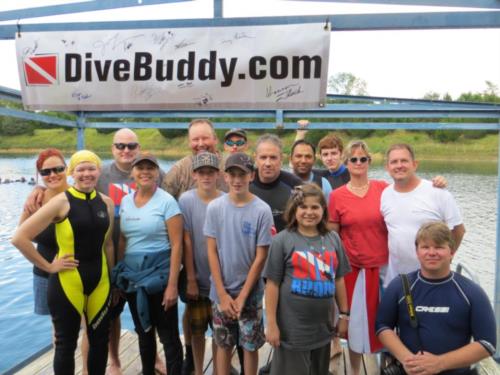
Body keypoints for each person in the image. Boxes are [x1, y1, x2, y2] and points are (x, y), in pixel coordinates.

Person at [12, 150, 114, 375]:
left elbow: (106, 245)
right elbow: (19, 238)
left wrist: (113, 278)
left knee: (99, 341)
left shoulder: (106, 203)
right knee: (65, 345)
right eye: (81, 169)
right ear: (73, 172)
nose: (86, 174)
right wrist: (48, 266)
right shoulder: (60, 202)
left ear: (99, 171)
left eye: (91, 168)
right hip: (67, 281)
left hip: (101, 282)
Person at [376, 221, 496, 375]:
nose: (432, 253)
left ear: (451, 252)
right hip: (410, 370)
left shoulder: (471, 292)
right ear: (417, 252)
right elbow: (382, 326)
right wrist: (408, 361)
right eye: (425, 247)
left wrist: (439, 363)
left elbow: (487, 343)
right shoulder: (400, 286)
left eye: (439, 247)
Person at [264, 183, 350, 375]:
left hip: (323, 330)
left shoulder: (333, 239)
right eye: (303, 207)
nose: (309, 212)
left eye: (315, 207)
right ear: (294, 210)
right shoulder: (282, 240)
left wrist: (344, 315)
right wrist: (271, 324)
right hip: (292, 332)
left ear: (323, 210)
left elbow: (339, 280)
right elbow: (272, 285)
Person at [113, 152, 183, 375]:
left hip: (160, 276)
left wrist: (172, 285)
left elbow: (177, 245)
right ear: (132, 172)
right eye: (140, 168)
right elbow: (123, 240)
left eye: (150, 168)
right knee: (144, 332)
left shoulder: (167, 202)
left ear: (157, 172)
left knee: (168, 335)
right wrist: (120, 275)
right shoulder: (125, 201)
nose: (145, 172)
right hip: (133, 277)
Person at [205, 152, 274, 375]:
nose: (237, 180)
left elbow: (261, 256)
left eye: (242, 175)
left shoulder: (262, 210)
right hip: (221, 292)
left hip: (251, 293)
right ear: (225, 177)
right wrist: (223, 294)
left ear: (251, 176)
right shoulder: (215, 207)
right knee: (223, 344)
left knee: (250, 345)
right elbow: (212, 251)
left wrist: (243, 296)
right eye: (232, 174)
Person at [328, 140, 388, 375]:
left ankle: (387, 364)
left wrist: (436, 185)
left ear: (369, 162)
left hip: (382, 267)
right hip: (352, 268)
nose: (359, 163)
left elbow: (409, 191)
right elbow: (332, 235)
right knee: (353, 323)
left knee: (385, 320)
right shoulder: (337, 196)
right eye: (353, 159)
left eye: (363, 158)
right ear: (347, 163)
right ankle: (354, 369)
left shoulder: (384, 188)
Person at [381, 143, 465, 287]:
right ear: (387, 167)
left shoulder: (437, 192)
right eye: (394, 162)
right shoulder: (385, 194)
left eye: (404, 160)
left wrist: (447, 257)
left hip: (433, 279)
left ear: (414, 164)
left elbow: (458, 230)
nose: (399, 165)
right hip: (398, 280)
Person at [178, 152, 224, 375]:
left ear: (218, 174)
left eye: (210, 172)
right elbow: (186, 239)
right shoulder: (186, 199)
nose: (206, 176)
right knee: (196, 331)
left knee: (219, 332)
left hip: (220, 281)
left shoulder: (225, 199)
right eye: (201, 172)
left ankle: (218, 369)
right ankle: (197, 369)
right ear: (194, 175)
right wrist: (190, 277)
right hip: (196, 278)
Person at [19, 149, 69, 319]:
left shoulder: (78, 195)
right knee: (57, 326)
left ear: (66, 168)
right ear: (40, 175)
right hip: (44, 272)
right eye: (46, 172)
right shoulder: (36, 201)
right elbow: (22, 236)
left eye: (58, 169)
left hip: (75, 271)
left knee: (85, 325)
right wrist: (48, 267)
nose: (53, 175)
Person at [162, 118, 226, 200]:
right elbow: (163, 201)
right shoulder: (179, 170)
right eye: (195, 139)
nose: (200, 144)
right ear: (189, 142)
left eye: (205, 138)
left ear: (215, 139)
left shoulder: (229, 166)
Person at [250, 134, 302, 233]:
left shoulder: (295, 184)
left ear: (281, 158)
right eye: (263, 157)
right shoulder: (245, 182)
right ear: (255, 158)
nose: (268, 163)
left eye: (273, 158)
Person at [294, 119, 350, 190]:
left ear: (341, 154)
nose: (329, 158)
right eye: (325, 154)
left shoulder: (352, 175)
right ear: (320, 157)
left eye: (334, 153)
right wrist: (300, 134)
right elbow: (296, 166)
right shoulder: (319, 176)